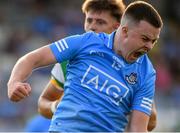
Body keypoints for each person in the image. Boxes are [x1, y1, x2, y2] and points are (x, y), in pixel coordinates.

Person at [7, 1, 163, 132]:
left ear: (117, 27)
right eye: (89, 20)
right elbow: (32, 61)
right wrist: (14, 82)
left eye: (100, 22)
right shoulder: (80, 47)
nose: (92, 27)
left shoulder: (145, 72)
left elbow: (148, 123)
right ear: (124, 31)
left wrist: (121, 107)